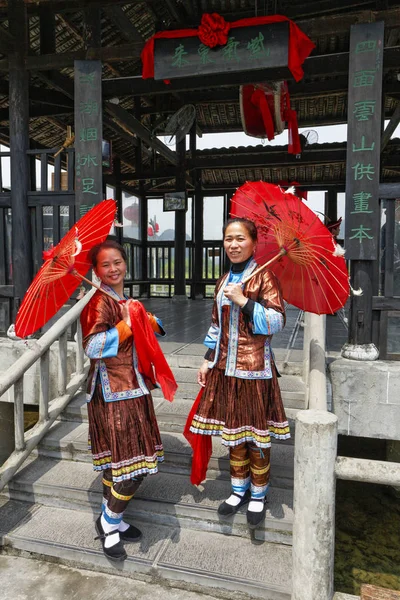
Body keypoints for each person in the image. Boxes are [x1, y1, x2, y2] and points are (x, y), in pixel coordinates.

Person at [189, 218, 290, 529]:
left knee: (257, 438)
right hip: (225, 370)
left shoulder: (265, 277)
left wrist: (245, 302)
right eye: (228, 238)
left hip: (255, 371)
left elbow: (276, 322)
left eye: (240, 239)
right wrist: (208, 358)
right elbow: (216, 326)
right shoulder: (223, 281)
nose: (233, 244)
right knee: (234, 436)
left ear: (253, 243)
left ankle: (259, 494)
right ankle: (238, 490)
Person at [80, 240, 168, 562]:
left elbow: (143, 331)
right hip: (112, 392)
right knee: (131, 468)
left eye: (117, 262)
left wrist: (145, 320)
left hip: (133, 388)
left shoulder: (123, 300)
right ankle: (110, 521)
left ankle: (112, 519)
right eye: (105, 265)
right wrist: (126, 325)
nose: (113, 269)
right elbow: (92, 347)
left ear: (125, 264)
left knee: (120, 464)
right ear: (96, 270)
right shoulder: (97, 302)